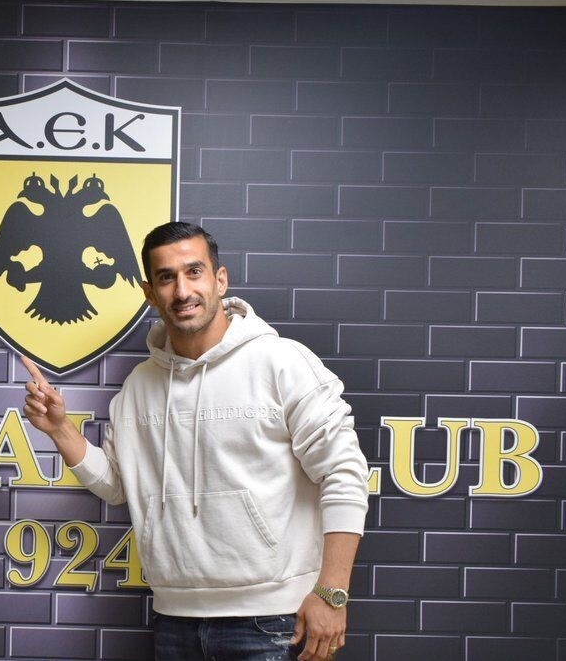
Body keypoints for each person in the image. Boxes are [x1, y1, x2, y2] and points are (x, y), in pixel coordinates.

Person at [21, 222, 369, 661]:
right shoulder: (138, 386)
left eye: (194, 272)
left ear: (220, 280)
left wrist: (332, 593)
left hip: (275, 620)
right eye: (167, 278)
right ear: (150, 293)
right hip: (175, 621)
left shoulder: (281, 363)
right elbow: (117, 485)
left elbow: (344, 473)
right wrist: (60, 429)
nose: (182, 291)